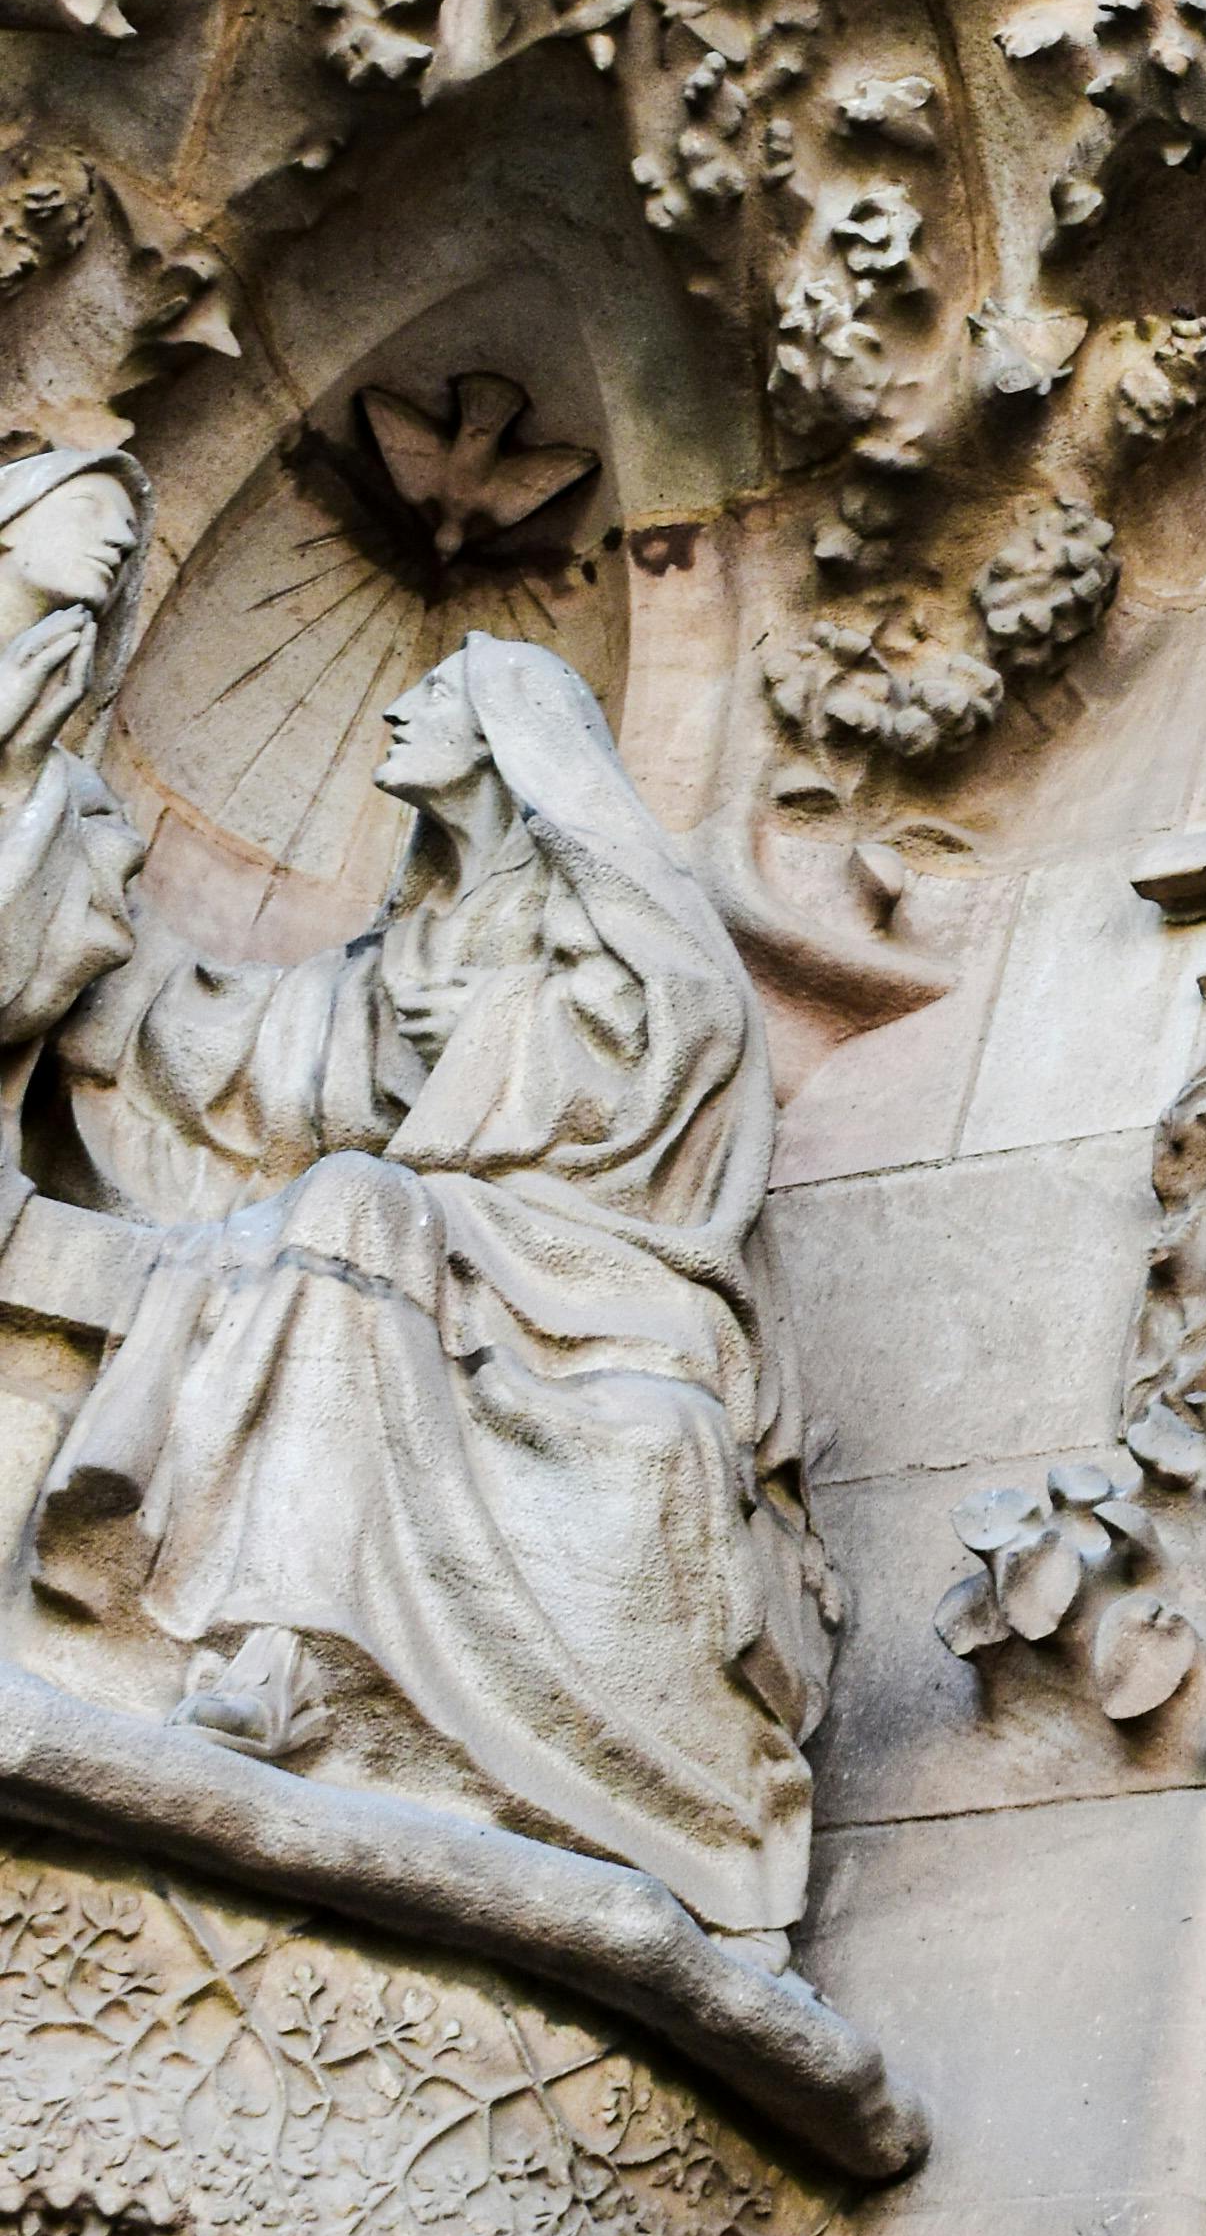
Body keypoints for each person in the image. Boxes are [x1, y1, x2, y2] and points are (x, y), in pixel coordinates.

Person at [42, 637, 828, 1932]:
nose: (398, 705)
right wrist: (83, 938)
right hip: (442, 1241)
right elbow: (263, 1060)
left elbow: (679, 1058)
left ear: (507, 739)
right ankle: (282, 1652)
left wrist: (498, 1023)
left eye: (439, 695)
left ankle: (300, 1663)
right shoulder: (407, 942)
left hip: (593, 1263)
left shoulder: (605, 912)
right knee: (342, 1210)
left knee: (357, 1207)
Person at [0, 445, 145, 1071]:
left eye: (132, 534)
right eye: (88, 508)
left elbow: (25, 1001)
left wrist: (22, 772)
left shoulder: (82, 801)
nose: (118, 540)